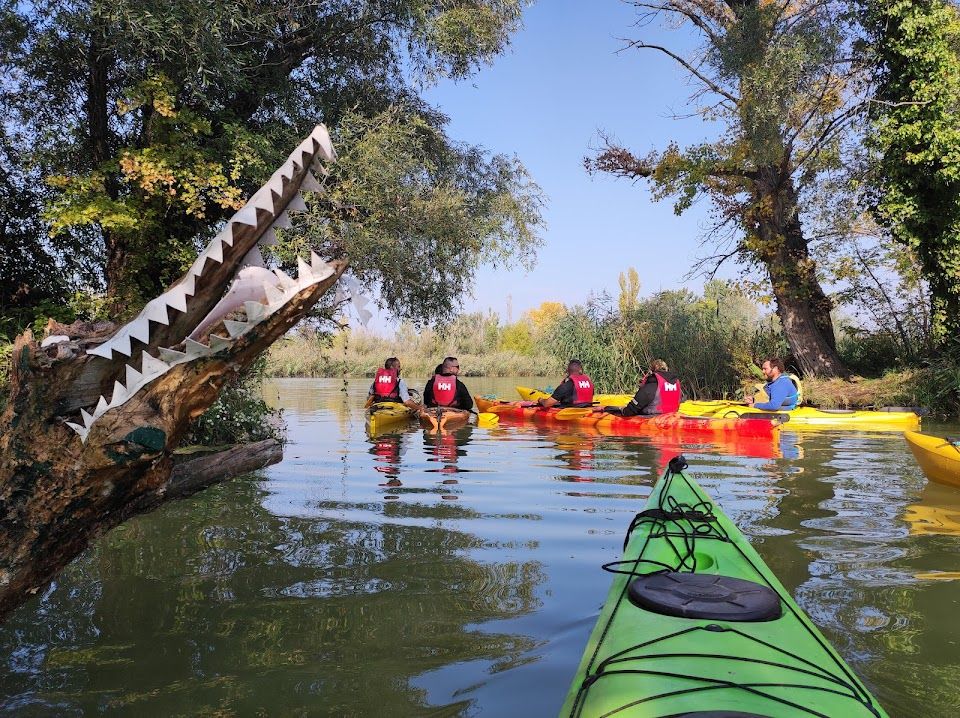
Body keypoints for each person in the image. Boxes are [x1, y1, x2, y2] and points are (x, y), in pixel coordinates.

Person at [606, 359, 681, 416]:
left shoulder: (652, 384)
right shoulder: (675, 382)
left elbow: (630, 411)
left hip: (652, 419)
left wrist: (621, 410)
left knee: (610, 409)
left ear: (652, 371)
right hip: (671, 416)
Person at [422, 357, 474, 430]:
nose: (458, 369)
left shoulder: (431, 383)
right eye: (457, 367)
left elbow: (426, 401)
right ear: (451, 369)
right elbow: (469, 405)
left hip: (433, 413)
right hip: (453, 415)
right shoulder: (459, 384)